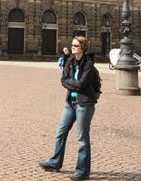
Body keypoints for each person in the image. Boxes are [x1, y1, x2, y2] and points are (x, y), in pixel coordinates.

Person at [39, 36, 101, 181]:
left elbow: (82, 84)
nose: (72, 47)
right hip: (70, 103)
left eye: (75, 46)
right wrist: (74, 84)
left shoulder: (89, 64)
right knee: (61, 132)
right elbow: (63, 80)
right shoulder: (69, 61)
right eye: (72, 45)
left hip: (84, 104)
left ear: (82, 48)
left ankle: (82, 171)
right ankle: (55, 162)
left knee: (82, 139)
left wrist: (72, 83)